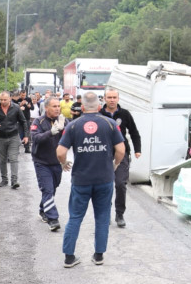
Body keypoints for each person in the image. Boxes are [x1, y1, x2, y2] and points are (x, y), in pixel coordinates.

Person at [57, 92, 125, 268]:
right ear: (99, 105)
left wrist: (64, 164)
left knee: (75, 217)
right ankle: (98, 255)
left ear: (83, 107)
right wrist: (115, 164)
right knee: (102, 218)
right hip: (104, 179)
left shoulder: (72, 126)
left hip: (81, 179)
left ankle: (69, 258)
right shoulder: (110, 124)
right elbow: (121, 150)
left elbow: (60, 152)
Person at [100, 88, 141, 228]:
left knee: (120, 184)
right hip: (103, 154)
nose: (112, 100)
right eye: (109, 97)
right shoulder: (99, 114)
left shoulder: (125, 114)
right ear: (104, 98)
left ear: (118, 99)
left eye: (114, 97)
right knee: (104, 186)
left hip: (122, 153)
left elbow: (134, 132)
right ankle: (105, 213)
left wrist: (137, 150)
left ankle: (119, 214)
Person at [30, 97, 68, 231]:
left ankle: (43, 209)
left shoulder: (63, 120)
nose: (57, 108)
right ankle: (53, 219)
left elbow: (70, 139)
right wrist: (50, 132)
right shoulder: (38, 121)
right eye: (54, 106)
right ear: (46, 108)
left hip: (56, 162)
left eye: (58, 106)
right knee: (48, 189)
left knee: (53, 188)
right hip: (42, 162)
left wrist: (65, 129)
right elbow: (35, 138)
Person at [0, 91, 29, 188]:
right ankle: (4, 180)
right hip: (1, 137)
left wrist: (26, 136)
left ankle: (14, 181)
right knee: (2, 160)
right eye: (1, 100)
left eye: (5, 99)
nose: (3, 101)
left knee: (13, 159)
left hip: (13, 137)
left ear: (10, 99)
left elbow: (23, 122)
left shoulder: (16, 107)